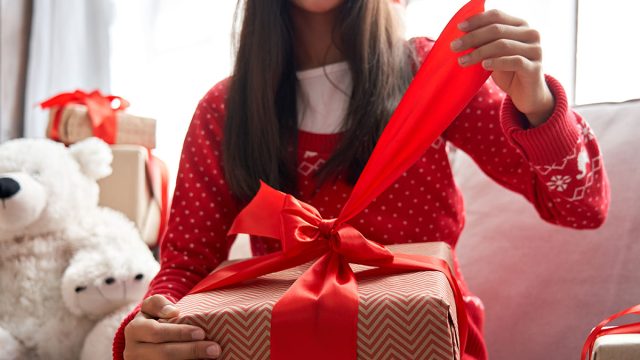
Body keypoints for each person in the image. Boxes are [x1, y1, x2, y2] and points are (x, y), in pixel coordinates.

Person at [113, 0, 610, 359]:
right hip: (284, 347)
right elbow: (185, 267)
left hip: (429, 344)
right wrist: (148, 332)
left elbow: (583, 206)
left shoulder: (430, 73)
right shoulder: (225, 109)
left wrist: (538, 103)